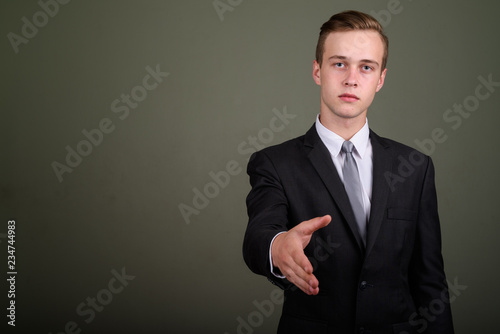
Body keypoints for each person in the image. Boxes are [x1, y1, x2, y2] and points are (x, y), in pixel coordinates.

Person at [242, 10, 454, 334]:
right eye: (339, 63)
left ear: (380, 79)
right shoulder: (274, 163)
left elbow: (430, 282)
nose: (351, 78)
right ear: (317, 70)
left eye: (366, 67)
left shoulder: (415, 167)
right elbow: (259, 235)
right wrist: (278, 245)